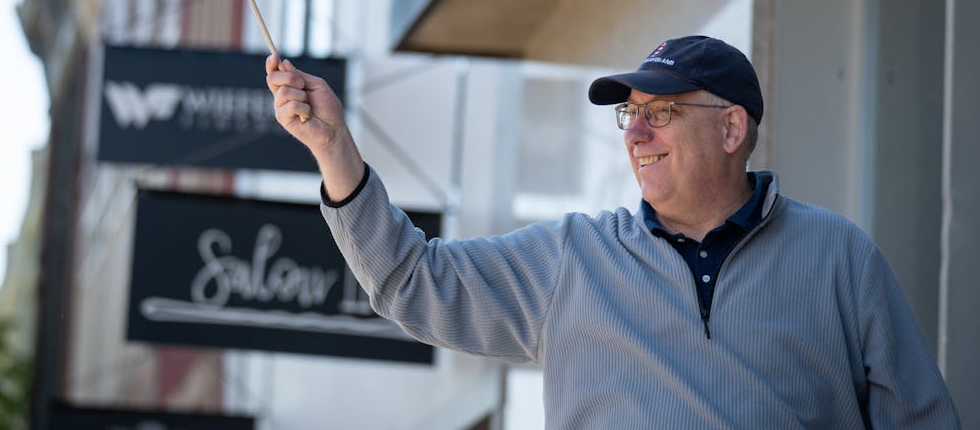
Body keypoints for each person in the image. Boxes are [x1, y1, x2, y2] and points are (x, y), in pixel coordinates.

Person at [265, 35, 960, 429]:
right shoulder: (573, 258)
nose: (635, 133)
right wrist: (334, 150)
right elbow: (413, 283)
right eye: (630, 113)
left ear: (731, 128)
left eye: (662, 112)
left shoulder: (838, 256)